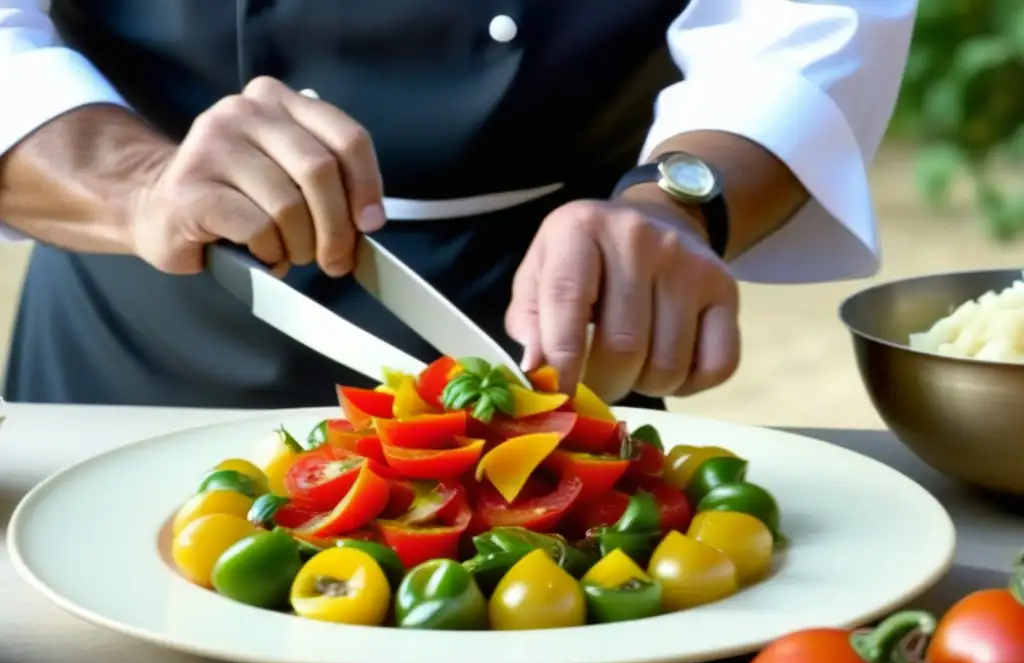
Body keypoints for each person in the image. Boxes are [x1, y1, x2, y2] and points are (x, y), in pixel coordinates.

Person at [0, 0, 916, 409]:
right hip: (139, 342)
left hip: (548, 325)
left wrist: (674, 203)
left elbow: (805, 19)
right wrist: (135, 183)